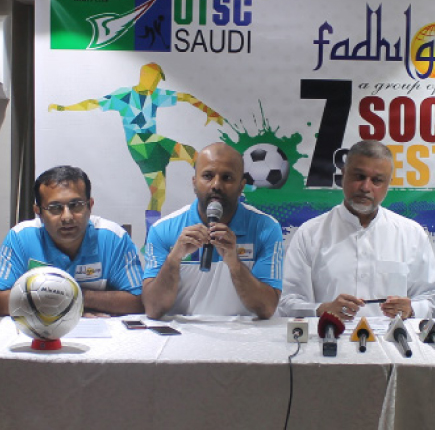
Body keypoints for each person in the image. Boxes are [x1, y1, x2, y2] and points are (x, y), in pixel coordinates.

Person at [48, 62, 226, 237]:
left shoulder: (156, 96)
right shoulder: (125, 96)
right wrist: (64, 108)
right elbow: (93, 103)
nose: (155, 83)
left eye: (158, 80)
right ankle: (218, 191)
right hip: (141, 144)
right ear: (144, 75)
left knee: (158, 195)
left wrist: (210, 112)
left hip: (151, 151)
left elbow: (185, 97)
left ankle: (151, 237)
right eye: (154, 78)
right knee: (190, 153)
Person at [278, 140, 435, 321]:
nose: (365, 187)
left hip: (393, 345)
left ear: (389, 184)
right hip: (329, 343)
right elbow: (287, 303)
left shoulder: (411, 234)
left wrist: (411, 309)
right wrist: (321, 309)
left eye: (377, 180)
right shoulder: (310, 234)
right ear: (343, 175)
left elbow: (433, 300)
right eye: (359, 176)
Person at [142, 142, 283, 319]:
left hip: (245, 340)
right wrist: (174, 259)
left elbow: (267, 308)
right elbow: (153, 309)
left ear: (241, 186)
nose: (216, 185)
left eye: (227, 177)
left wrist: (234, 263)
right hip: (182, 339)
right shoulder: (162, 230)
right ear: (194, 183)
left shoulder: (267, 228)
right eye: (208, 176)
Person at [0, 166, 144, 316]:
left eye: (76, 205)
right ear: (39, 213)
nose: (67, 217)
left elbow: (140, 300)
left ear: (90, 206)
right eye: (55, 208)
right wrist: (68, 303)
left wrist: (77, 298)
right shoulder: (20, 238)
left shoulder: (114, 238)